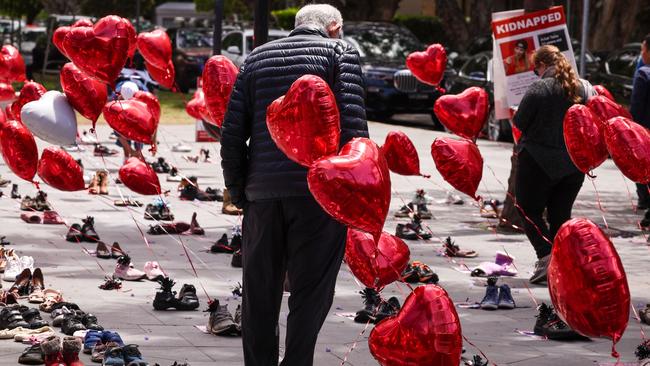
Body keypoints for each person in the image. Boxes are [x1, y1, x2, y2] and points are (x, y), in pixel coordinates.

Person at [220, 4, 367, 366]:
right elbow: (353, 131)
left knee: (260, 294)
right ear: (334, 27)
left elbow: (232, 134)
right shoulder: (339, 52)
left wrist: (239, 191)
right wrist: (354, 196)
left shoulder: (255, 59)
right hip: (318, 196)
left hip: (262, 196)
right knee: (311, 291)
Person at [513, 45, 594, 284]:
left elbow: (520, 121)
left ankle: (546, 255)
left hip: (538, 160)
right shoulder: (580, 87)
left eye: (534, 68)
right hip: (574, 165)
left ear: (541, 65)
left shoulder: (539, 88)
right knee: (561, 215)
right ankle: (562, 263)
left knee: (527, 209)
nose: (534, 73)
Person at [631, 34, 650, 214]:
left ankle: (645, 200)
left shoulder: (643, 74)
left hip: (645, 130)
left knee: (642, 167)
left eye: (643, 50)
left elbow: (636, 106)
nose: (641, 54)